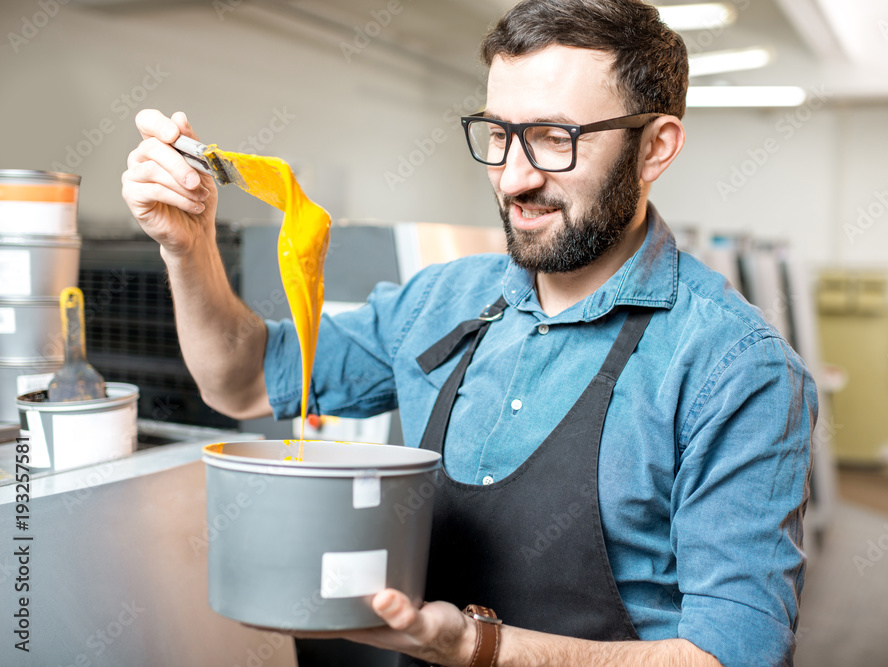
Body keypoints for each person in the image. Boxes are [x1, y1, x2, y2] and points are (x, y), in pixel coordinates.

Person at [122, 0, 817, 664]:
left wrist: (475, 648)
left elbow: (737, 654)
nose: (514, 177)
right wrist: (188, 247)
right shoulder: (443, 300)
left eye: (554, 138)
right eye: (499, 134)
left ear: (654, 147)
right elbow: (242, 379)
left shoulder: (732, 366)